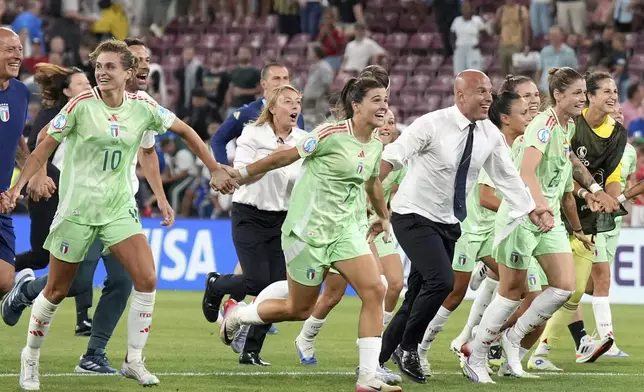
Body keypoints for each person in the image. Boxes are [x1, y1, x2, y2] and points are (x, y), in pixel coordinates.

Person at [0, 39, 235, 391]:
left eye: (111, 67)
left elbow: (185, 131)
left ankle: (133, 360)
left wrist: (214, 168)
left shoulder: (143, 106)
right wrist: (18, 189)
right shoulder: (81, 105)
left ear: (127, 73)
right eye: (99, 67)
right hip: (77, 209)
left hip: (118, 210)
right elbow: (43, 145)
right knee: (58, 289)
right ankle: (30, 357)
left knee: (146, 279)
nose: (102, 72)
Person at [218, 77, 403, 392]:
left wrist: (383, 216)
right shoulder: (329, 134)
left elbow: (372, 182)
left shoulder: (374, 145)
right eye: (376, 99)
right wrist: (243, 173)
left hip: (345, 231)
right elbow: (285, 157)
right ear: (356, 106)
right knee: (298, 308)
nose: (383, 106)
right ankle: (238, 315)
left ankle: (368, 377)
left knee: (375, 290)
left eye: (385, 99)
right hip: (308, 231)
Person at [372, 70, 552, 385]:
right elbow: (393, 156)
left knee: (416, 295)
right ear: (460, 96)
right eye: (480, 92)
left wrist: (531, 209)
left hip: (449, 222)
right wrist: (370, 197)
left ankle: (377, 361)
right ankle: (408, 348)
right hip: (412, 215)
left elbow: (507, 177)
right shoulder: (431, 123)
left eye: (489, 92)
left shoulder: (489, 134)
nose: (488, 98)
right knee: (441, 281)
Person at [461, 67, 619, 383]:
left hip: (548, 219)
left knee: (563, 287)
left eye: (583, 93)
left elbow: (571, 162)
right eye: (576, 93)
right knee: (511, 292)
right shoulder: (542, 126)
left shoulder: (568, 126)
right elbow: (528, 172)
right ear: (558, 96)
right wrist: (538, 206)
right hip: (522, 216)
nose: (582, 99)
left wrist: (595, 191)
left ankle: (512, 339)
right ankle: (476, 355)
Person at [416, 90, 532, 377]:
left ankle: (474, 338)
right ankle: (419, 349)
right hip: (468, 229)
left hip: (491, 233)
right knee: (453, 294)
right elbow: (484, 196)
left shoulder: (516, 146)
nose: (529, 117)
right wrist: (522, 207)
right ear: (506, 119)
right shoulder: (489, 143)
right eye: (524, 113)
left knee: (519, 289)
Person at [294, 110, 405, 385]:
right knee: (332, 294)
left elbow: (389, 196)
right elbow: (363, 186)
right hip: (346, 226)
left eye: (392, 122)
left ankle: (372, 358)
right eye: (384, 121)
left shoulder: (398, 161)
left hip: (375, 227)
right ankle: (305, 336)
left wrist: (386, 216)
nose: (387, 126)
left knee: (393, 284)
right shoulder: (358, 151)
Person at [529, 71, 628, 370]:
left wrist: (607, 198)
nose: (613, 96)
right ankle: (493, 342)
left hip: (588, 218)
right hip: (551, 210)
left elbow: (612, 178)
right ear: (590, 96)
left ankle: (541, 352)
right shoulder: (571, 123)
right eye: (606, 91)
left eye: (615, 91)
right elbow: (561, 170)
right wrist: (589, 193)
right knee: (528, 288)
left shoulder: (617, 134)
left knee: (571, 292)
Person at [202, 85, 307, 366]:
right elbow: (242, 176)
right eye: (288, 102)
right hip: (249, 213)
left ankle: (251, 351)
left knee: (277, 287)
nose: (295, 107)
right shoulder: (252, 133)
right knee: (257, 281)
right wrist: (272, 161)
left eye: (298, 102)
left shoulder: (304, 140)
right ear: (272, 108)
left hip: (282, 219)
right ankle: (216, 284)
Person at [1, 64, 96, 337]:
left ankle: (82, 320)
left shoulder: (92, 113)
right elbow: (34, 146)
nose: (88, 87)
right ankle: (19, 284)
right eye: (81, 84)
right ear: (66, 91)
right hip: (49, 192)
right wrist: (38, 178)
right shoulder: (53, 114)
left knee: (82, 257)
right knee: (43, 256)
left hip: (81, 195)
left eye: (88, 83)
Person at [210, 63, 305, 165]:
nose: (282, 83)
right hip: (255, 178)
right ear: (264, 84)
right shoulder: (247, 113)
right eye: (276, 78)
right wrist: (223, 170)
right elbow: (218, 140)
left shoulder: (296, 116)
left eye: (285, 78)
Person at [0, 28, 30, 298]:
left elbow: (17, 142)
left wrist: (33, 175)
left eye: (19, 49)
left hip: (2, 202)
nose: (17, 56)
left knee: (4, 281)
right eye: (10, 49)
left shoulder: (20, 92)